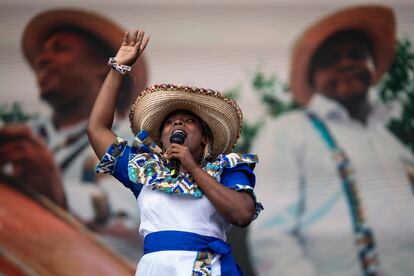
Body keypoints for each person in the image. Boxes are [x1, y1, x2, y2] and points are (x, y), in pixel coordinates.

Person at [249, 5, 414, 276]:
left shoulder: (394, 145)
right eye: (330, 59)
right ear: (313, 77)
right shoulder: (287, 131)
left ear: (371, 68)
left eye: (356, 55)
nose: (346, 63)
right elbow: (272, 239)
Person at [87, 29, 263, 275]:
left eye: (188, 121)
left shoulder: (226, 169)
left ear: (204, 138)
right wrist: (119, 69)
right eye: (170, 122)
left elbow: (243, 213)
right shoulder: (146, 173)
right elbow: (97, 129)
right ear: (162, 138)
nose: (178, 124)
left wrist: (192, 168)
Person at [0, 8, 147, 261]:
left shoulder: (133, 141)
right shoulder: (21, 138)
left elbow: (130, 213)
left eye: (60, 48)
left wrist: (58, 193)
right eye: (42, 53)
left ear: (105, 68)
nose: (41, 60)